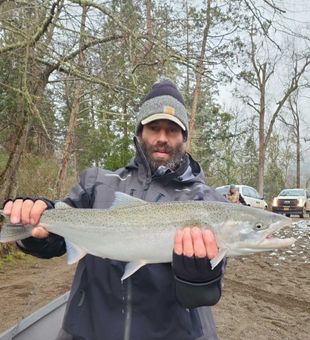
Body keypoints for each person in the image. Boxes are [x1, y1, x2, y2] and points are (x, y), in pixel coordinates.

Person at [3, 79, 227, 340]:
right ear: (140, 132)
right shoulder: (98, 184)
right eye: (154, 128)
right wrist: (37, 221)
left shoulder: (206, 202)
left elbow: (206, 294)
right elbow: (56, 237)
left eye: (172, 130)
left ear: (184, 138)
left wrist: (197, 277)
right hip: (89, 331)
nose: (162, 138)